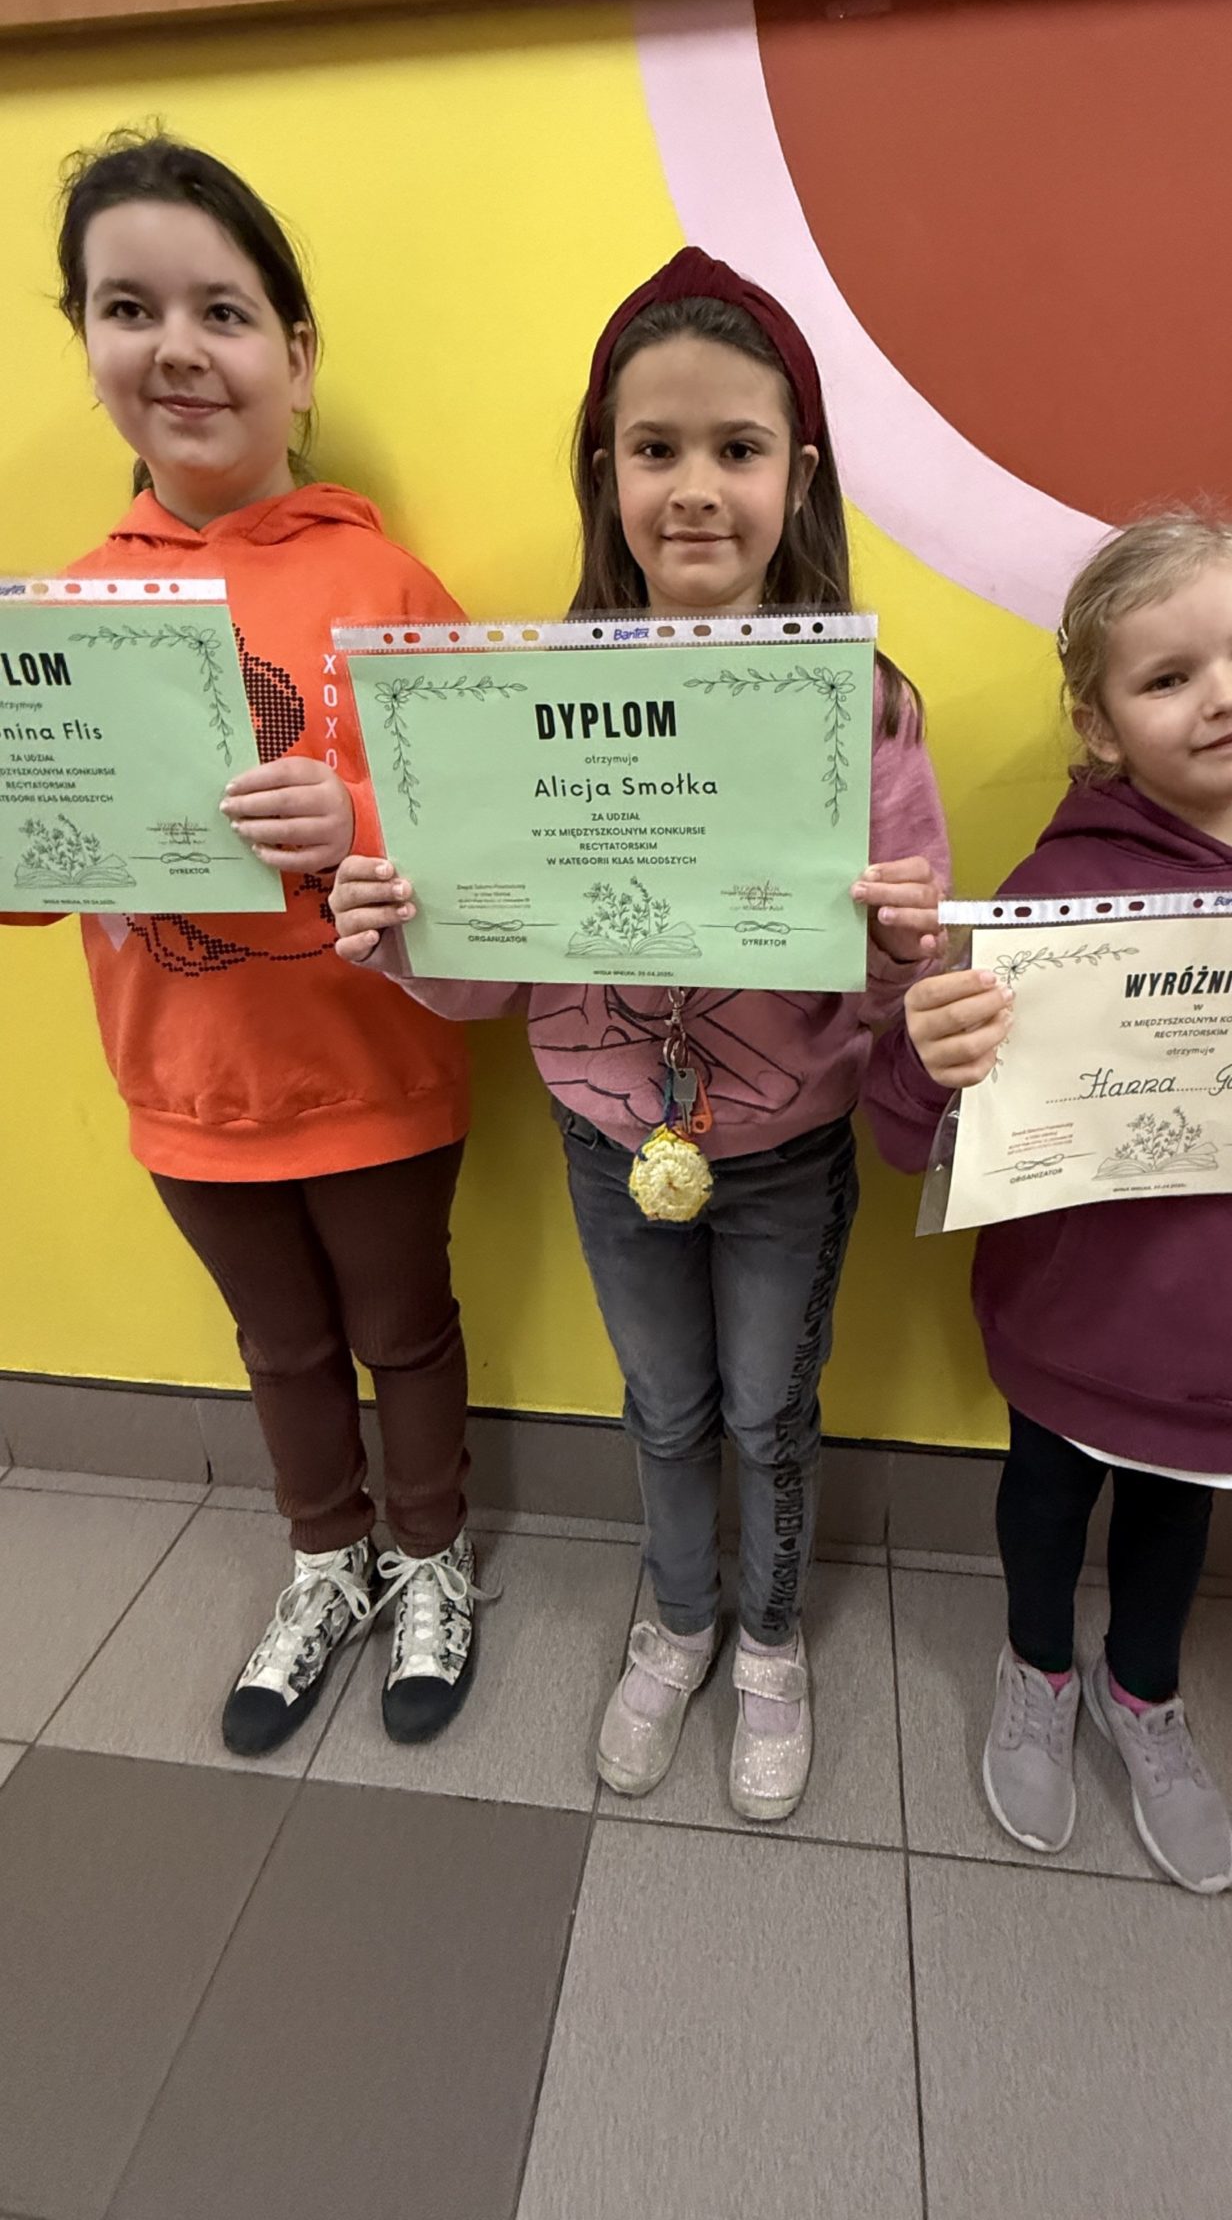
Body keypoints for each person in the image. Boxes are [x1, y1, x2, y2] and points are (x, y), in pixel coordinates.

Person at [330, 246, 947, 1820]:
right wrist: (406, 942)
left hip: (787, 1152)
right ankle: (677, 1618)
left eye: (738, 448)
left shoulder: (868, 713)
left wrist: (900, 956)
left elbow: (900, 991)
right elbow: (490, 986)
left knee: (769, 1413)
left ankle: (770, 1642)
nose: (695, 489)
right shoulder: (522, 712)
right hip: (611, 1143)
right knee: (664, 1407)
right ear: (603, 472)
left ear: (799, 475)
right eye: (654, 448)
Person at [5, 130, 480, 1757]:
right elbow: (33, 880)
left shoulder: (385, 581)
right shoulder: (62, 617)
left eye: (222, 310)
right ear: (85, 344)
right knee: (277, 1346)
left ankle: (432, 1555)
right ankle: (327, 1559)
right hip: (188, 1087)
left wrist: (359, 813)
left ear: (297, 353)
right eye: (129, 308)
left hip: (377, 1073)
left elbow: (487, 837)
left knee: (405, 1329)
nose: (179, 349)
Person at [874, 507, 1232, 1893]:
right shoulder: (1053, 899)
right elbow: (917, 1130)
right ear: (1098, 726)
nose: (1225, 695)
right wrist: (926, 1055)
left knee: (1179, 1514)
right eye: (1169, 676)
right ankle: (1036, 1667)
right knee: (1046, 1499)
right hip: (1079, 1320)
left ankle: (1143, 1694)